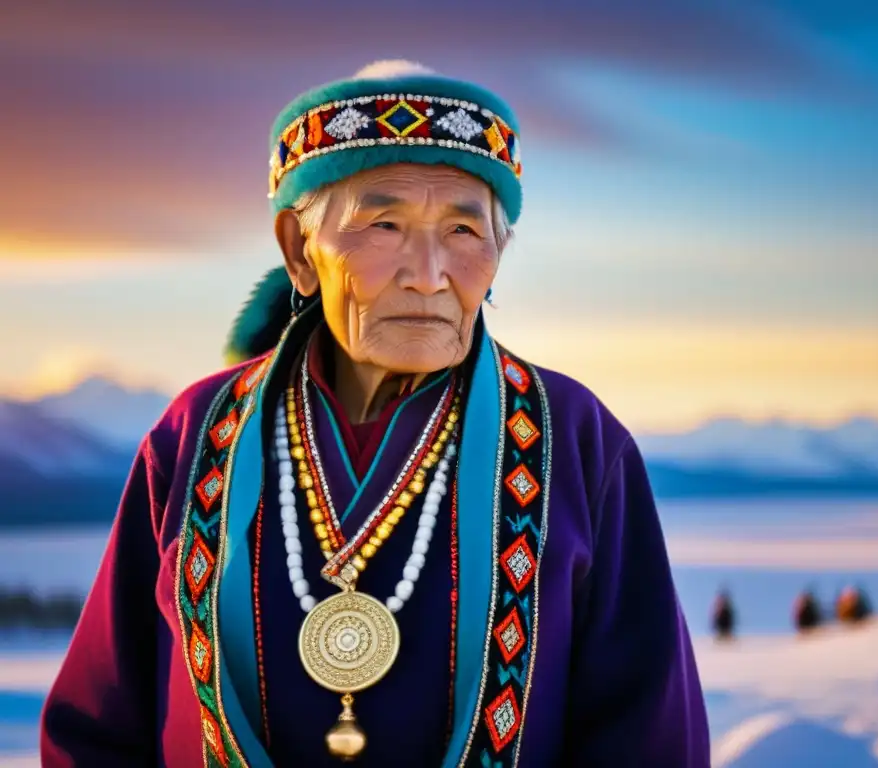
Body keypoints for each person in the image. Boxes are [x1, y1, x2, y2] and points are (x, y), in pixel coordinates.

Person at [39, 61, 710, 767]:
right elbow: (99, 730)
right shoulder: (199, 433)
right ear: (300, 251)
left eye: (462, 230)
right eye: (383, 224)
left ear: (499, 252)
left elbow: (649, 739)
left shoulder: (572, 439)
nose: (428, 271)